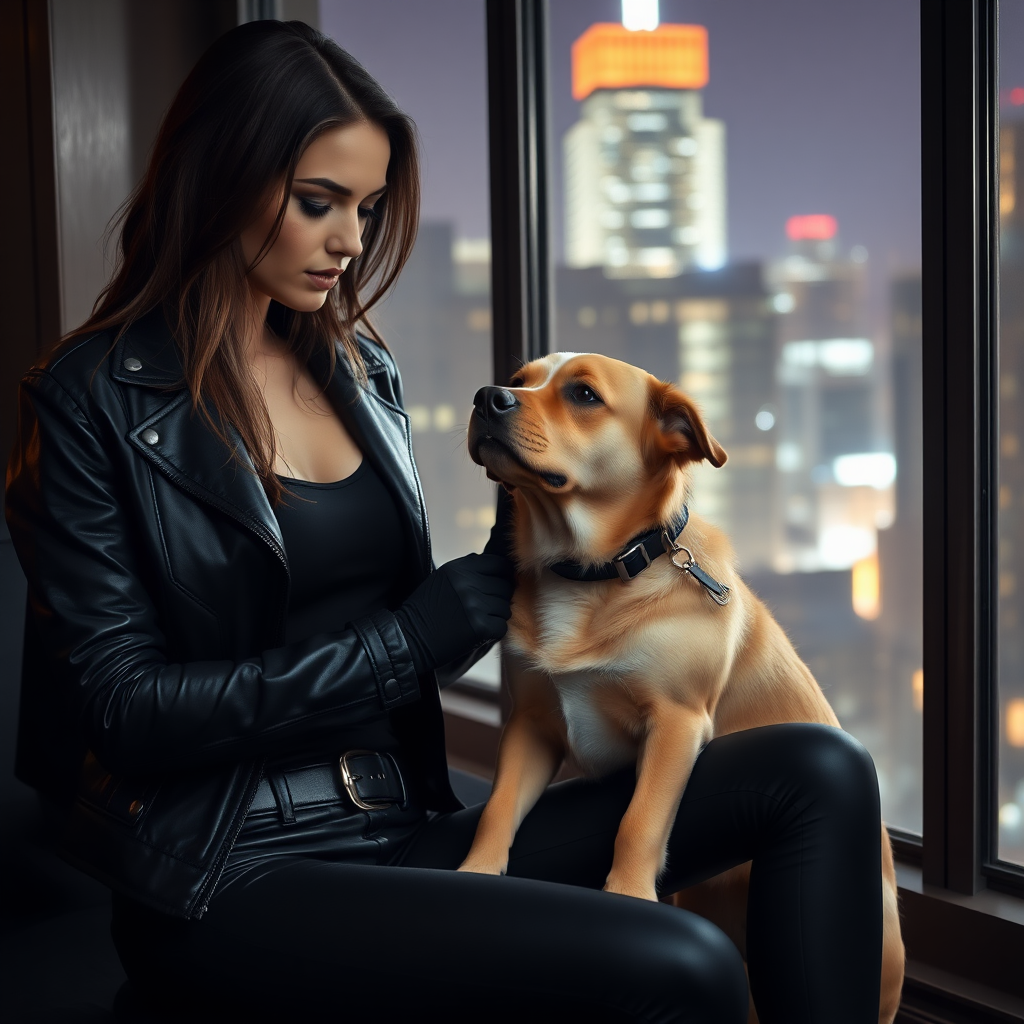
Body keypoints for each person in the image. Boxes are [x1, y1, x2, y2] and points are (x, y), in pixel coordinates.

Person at [5, 20, 885, 1024]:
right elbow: (126, 711)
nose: (351, 242)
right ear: (219, 180)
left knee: (822, 770)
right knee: (680, 961)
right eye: (317, 203)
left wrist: (613, 556)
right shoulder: (88, 402)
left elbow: (444, 583)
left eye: (368, 209)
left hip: (403, 825)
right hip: (222, 876)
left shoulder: (358, 373)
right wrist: (407, 640)